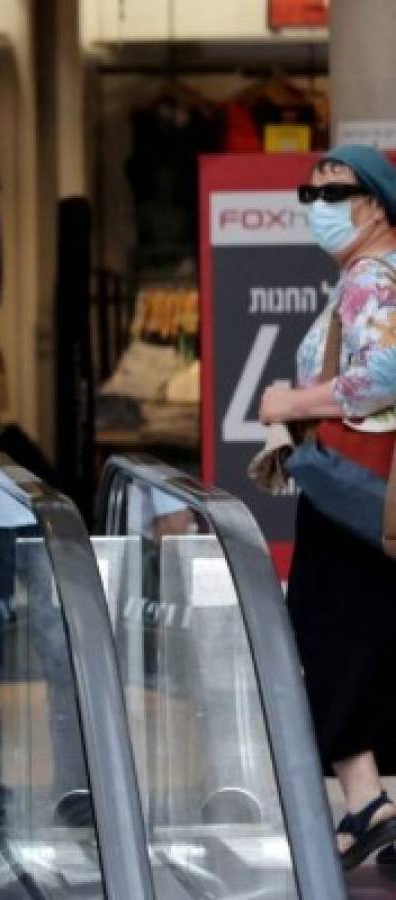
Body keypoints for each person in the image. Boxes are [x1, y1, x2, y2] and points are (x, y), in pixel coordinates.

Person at [259, 143, 396, 870]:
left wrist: (294, 402)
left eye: (334, 194)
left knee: (327, 638)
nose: (317, 209)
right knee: (361, 644)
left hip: (352, 500)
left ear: (375, 206)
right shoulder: (368, 274)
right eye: (309, 195)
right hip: (366, 501)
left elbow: (382, 373)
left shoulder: (371, 276)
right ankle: (366, 802)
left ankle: (366, 801)